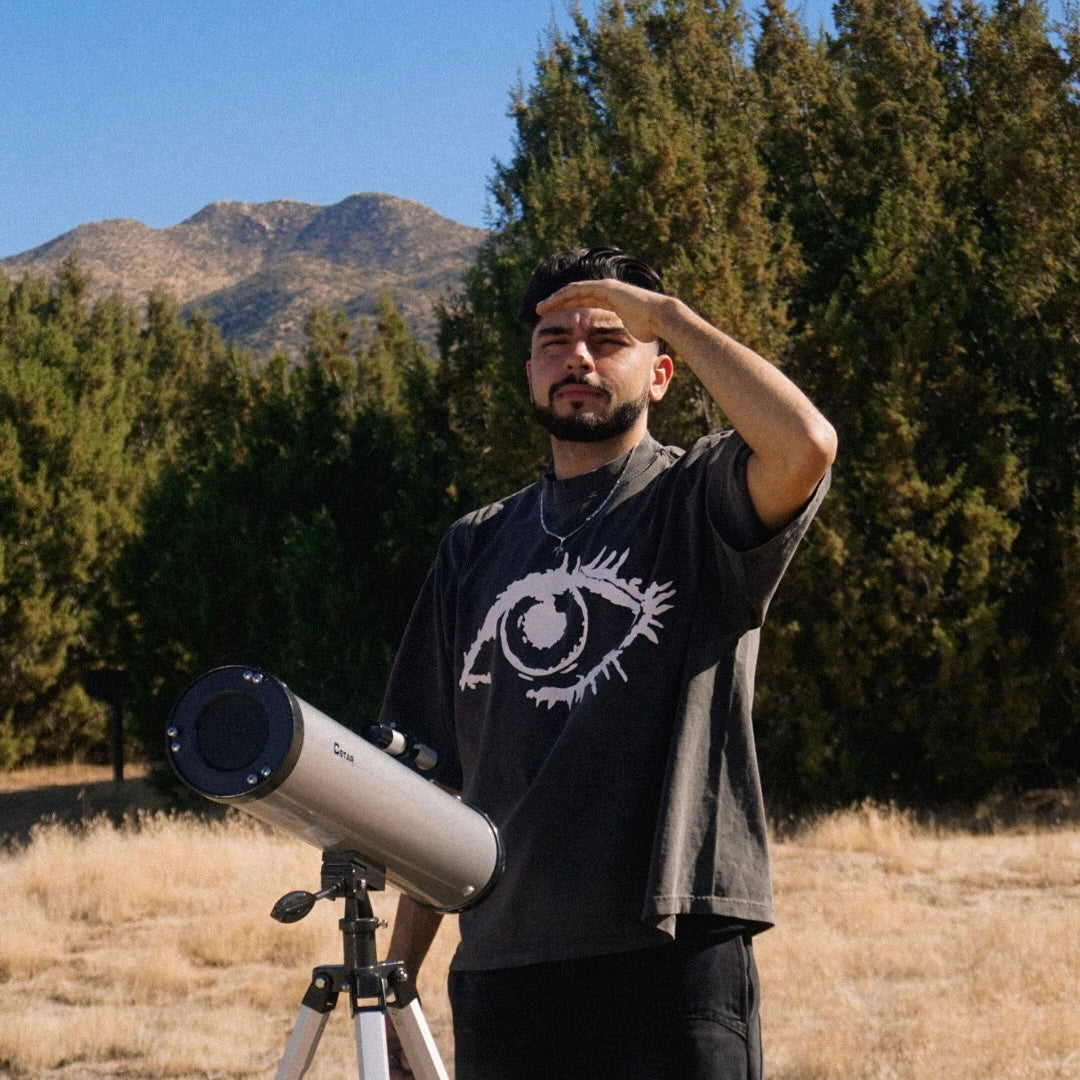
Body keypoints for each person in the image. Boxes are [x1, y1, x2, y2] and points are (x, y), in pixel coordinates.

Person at [377, 246, 836, 1079]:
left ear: (662, 374)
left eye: (610, 339)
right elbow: (432, 788)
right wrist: (401, 982)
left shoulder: (697, 498)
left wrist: (669, 318)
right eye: (554, 340)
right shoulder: (475, 547)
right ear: (529, 373)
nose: (577, 357)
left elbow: (805, 444)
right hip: (502, 967)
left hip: (671, 951)